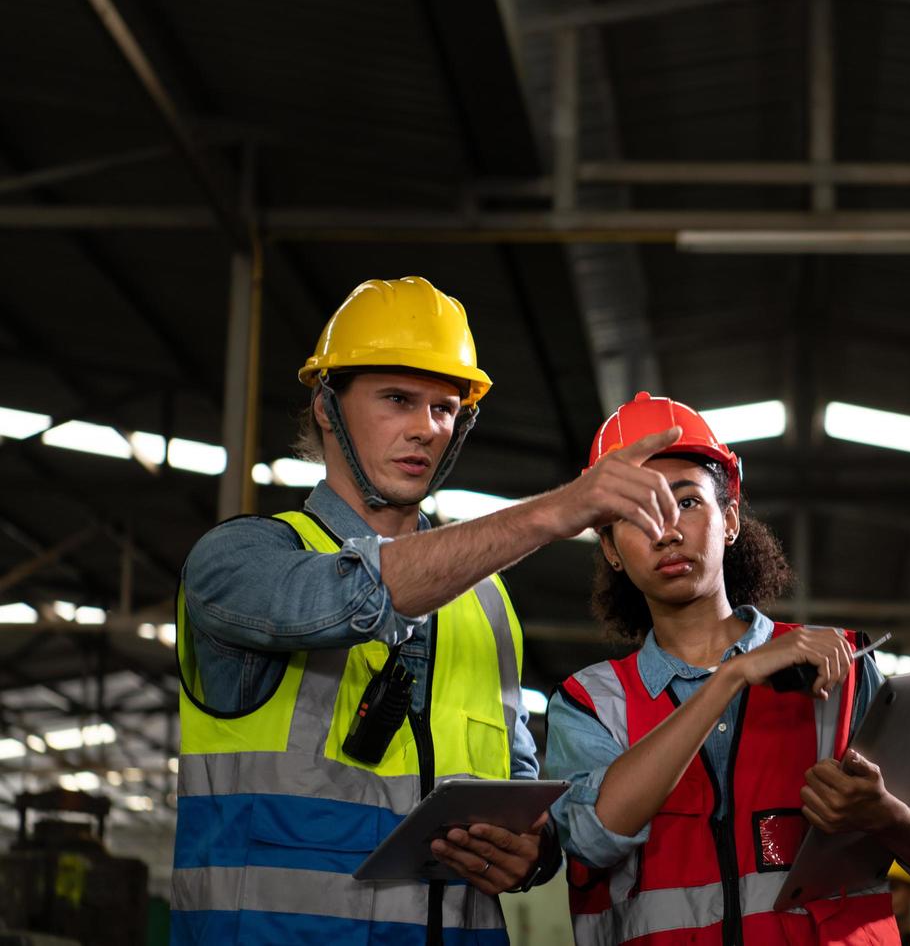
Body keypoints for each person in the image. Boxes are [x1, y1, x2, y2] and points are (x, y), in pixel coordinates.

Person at [170, 279, 687, 945]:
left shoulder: (488, 604)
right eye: (397, 400)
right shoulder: (239, 561)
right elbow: (348, 596)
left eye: (445, 410)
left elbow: (521, 794)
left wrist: (533, 855)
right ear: (327, 406)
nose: (425, 428)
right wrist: (556, 511)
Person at [540, 391, 910, 944]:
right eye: (634, 514)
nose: (667, 531)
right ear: (611, 550)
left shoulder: (841, 666)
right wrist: (731, 676)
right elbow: (588, 839)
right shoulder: (591, 703)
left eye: (688, 502)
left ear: (730, 519)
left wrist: (885, 813)